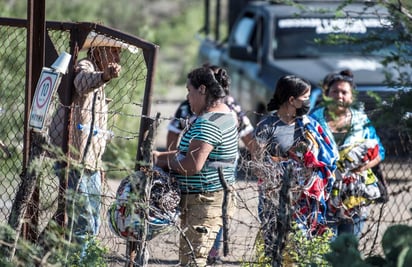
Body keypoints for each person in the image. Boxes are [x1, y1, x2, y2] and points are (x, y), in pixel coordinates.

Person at [50, 32, 136, 257]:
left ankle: (80, 258)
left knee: (91, 219)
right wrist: (105, 75)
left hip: (88, 162)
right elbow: (81, 83)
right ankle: (81, 260)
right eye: (113, 50)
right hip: (76, 159)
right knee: (84, 222)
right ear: (98, 51)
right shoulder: (85, 66)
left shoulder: (98, 75)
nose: (118, 56)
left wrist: (98, 164)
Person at [166, 64, 254, 264]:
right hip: (209, 198)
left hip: (204, 202)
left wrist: (159, 159)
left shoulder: (209, 122)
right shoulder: (224, 113)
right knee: (195, 256)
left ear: (202, 89)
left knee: (193, 260)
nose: (188, 97)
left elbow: (192, 165)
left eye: (190, 91)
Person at [249, 75, 338, 265]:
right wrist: (282, 176)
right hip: (276, 198)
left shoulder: (309, 126)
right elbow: (258, 165)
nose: (308, 102)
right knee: (278, 248)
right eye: (305, 98)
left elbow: (324, 157)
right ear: (291, 100)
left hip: (306, 200)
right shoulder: (267, 126)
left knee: (303, 247)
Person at [310, 69, 386, 238]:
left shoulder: (361, 120)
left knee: (348, 245)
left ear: (351, 97)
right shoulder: (313, 120)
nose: (339, 96)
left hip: (354, 193)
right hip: (322, 192)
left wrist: (362, 167)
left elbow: (380, 152)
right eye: (334, 91)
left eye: (344, 92)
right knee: (324, 244)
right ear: (326, 95)